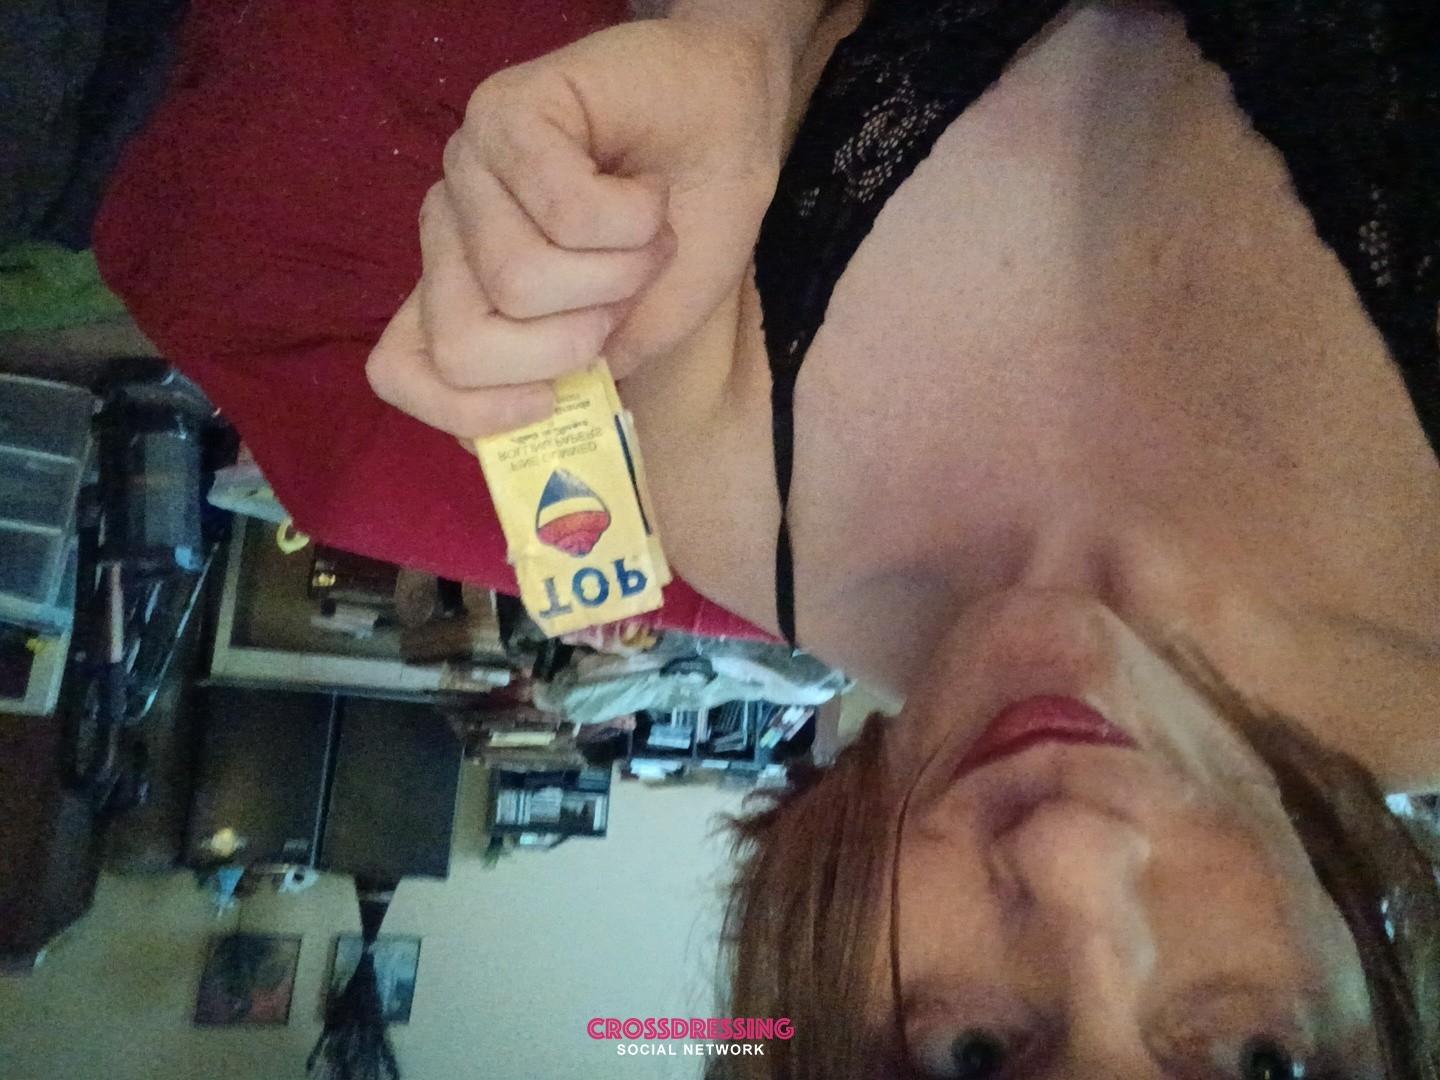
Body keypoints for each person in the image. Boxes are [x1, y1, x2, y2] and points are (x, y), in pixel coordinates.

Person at [365, 0, 1440, 1076]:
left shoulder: (727, 506)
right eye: (1259, 1060)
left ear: (812, 997)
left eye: (974, 1054)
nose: (1072, 852)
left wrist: (732, 44)